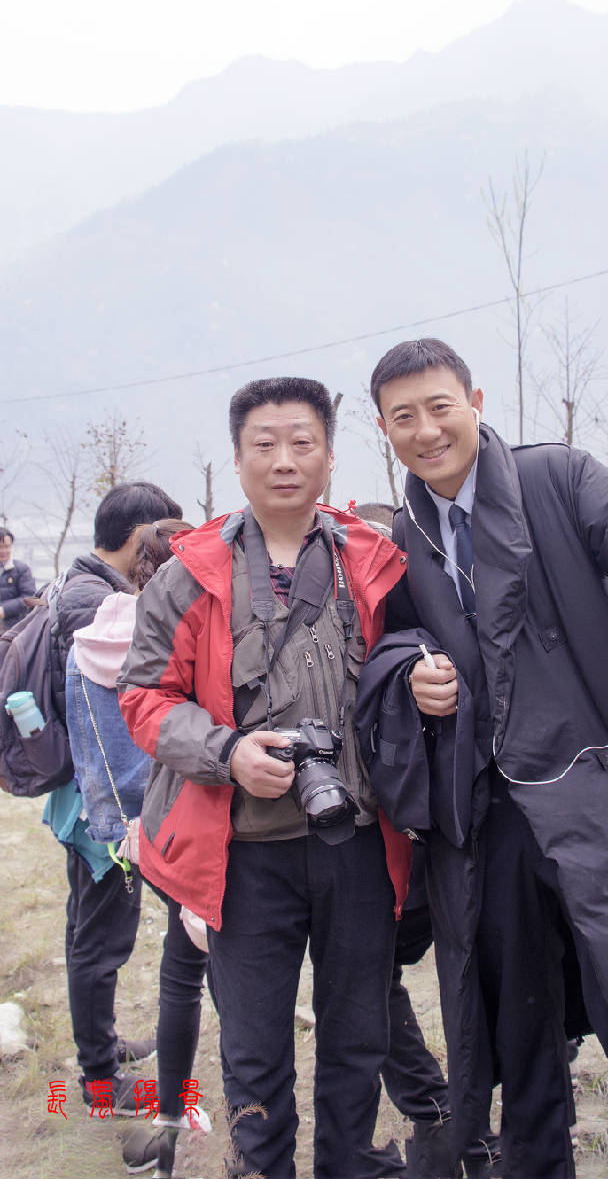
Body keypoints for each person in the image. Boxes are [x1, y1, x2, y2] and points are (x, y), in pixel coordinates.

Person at [368, 338, 608, 1179]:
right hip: (494, 817)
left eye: (439, 407)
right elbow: (391, 642)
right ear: (383, 430)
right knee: (518, 1023)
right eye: (403, 417)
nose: (426, 430)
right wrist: (411, 673)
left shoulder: (555, 477)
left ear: (474, 402)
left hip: (603, 792)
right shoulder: (404, 536)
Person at [117, 377, 411, 1179]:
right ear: (238, 456)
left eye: (302, 442)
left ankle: (349, 1162)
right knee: (253, 1047)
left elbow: (411, 661)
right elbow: (144, 696)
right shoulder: (191, 573)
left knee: (358, 1036)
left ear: (329, 455)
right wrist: (227, 753)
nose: (284, 460)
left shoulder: (375, 562)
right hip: (241, 855)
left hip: (355, 841)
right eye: (265, 444)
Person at [65, 519, 211, 1178]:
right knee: (162, 958)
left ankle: (134, 1098)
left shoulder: (91, 630)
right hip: (162, 825)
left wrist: (115, 821)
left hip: (116, 822)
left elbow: (89, 737)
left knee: (111, 950)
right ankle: (109, 1090)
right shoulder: (170, 632)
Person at [42, 481, 183, 1115]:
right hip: (101, 804)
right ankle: (99, 1079)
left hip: (90, 794)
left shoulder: (81, 586)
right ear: (138, 536)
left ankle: (101, 1047)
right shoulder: (96, 605)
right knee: (100, 938)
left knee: (90, 930)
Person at [0, 525, 35, 629]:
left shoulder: (22, 570)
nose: (3, 551)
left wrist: (4, 609)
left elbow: (29, 598)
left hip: (13, 628)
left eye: (6, 546)